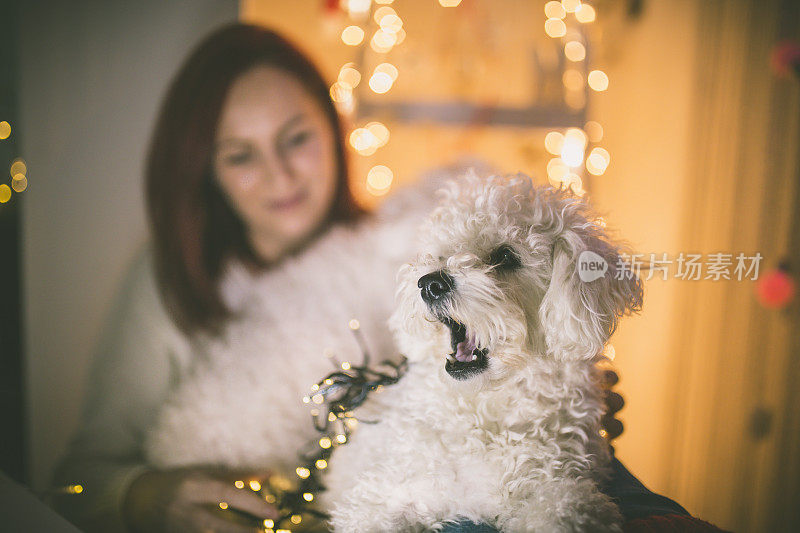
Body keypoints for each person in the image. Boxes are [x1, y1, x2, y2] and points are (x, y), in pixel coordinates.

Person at [51, 23, 706, 533]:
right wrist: (142, 495)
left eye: (296, 137)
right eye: (241, 155)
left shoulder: (410, 241)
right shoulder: (167, 283)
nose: (280, 176)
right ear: (206, 171)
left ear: (334, 131)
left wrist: (562, 391)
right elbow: (71, 479)